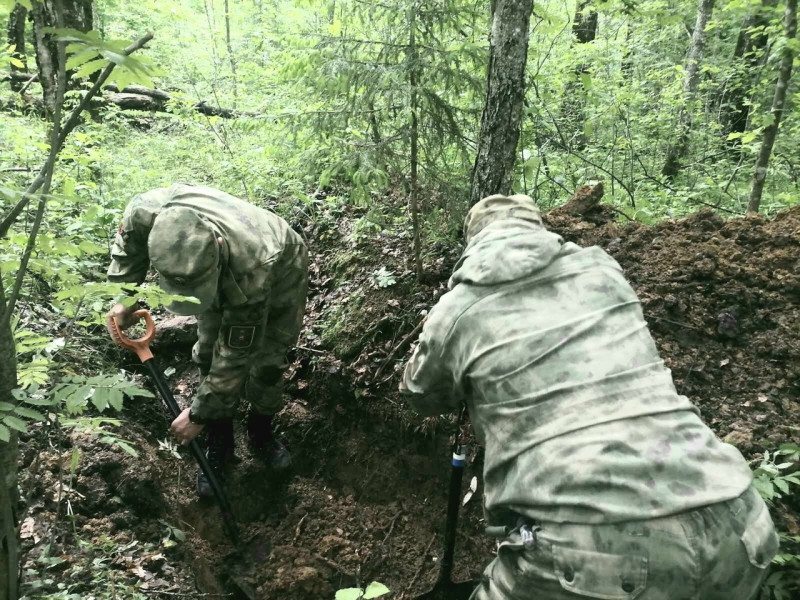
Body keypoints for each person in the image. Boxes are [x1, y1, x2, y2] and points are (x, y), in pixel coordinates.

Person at [400, 194, 779, 600]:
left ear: (473, 243)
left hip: (595, 544)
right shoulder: (603, 270)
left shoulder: (458, 308)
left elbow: (420, 393)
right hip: (737, 519)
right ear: (539, 230)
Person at [106, 183, 308, 498]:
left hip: (280, 264)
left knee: (267, 361)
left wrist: (198, 414)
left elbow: (236, 354)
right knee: (207, 351)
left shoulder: (253, 270)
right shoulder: (146, 212)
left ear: (216, 248)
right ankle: (220, 442)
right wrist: (124, 298)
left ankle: (260, 433)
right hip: (222, 264)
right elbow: (128, 251)